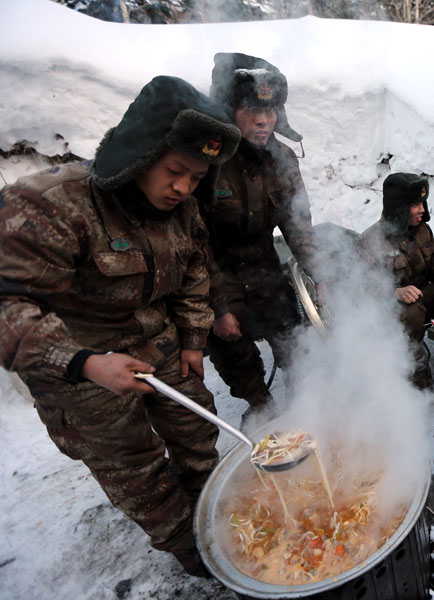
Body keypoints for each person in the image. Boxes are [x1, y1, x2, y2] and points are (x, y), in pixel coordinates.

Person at [0, 76, 242, 576]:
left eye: (196, 178)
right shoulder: (52, 204)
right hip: (78, 363)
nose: (183, 188)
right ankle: (190, 547)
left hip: (157, 346)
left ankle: (217, 515)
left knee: (198, 429)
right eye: (175, 171)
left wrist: (194, 340)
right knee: (135, 465)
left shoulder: (182, 210)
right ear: (139, 153)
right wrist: (84, 362)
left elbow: (194, 274)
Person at [203, 53, 320, 412]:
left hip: (263, 263)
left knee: (292, 335)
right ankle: (260, 405)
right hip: (215, 269)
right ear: (228, 110)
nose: (262, 120)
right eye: (251, 110)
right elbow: (192, 242)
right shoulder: (207, 158)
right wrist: (217, 306)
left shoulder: (281, 158)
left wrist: (321, 276)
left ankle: (302, 409)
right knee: (230, 342)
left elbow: (298, 225)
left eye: (269, 112)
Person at [356, 173, 434, 388]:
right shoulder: (370, 241)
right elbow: (361, 289)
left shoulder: (422, 230)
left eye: (422, 203)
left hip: (421, 299)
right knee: (409, 311)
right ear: (398, 208)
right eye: (415, 205)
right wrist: (395, 293)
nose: (422, 209)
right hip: (389, 310)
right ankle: (413, 370)